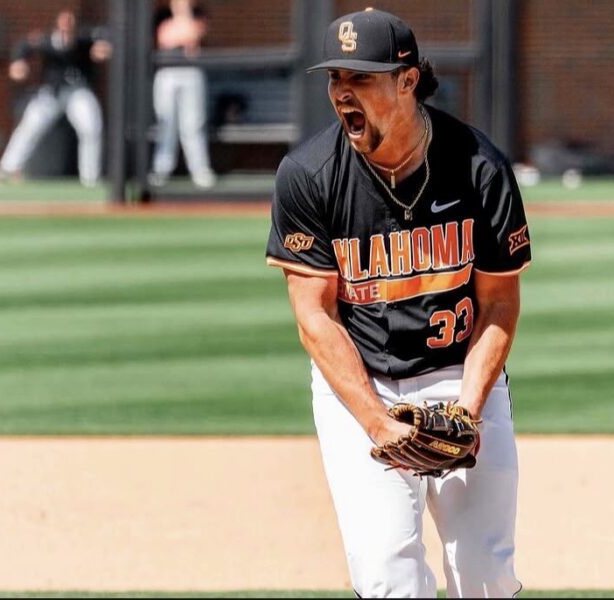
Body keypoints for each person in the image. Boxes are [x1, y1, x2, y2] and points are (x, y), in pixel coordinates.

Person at [265, 9, 530, 598]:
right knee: (388, 571)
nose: (342, 92)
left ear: (408, 81)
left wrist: (468, 410)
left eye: (360, 77)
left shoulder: (479, 167)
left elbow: (498, 305)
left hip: (461, 375)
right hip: (362, 386)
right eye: (335, 78)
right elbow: (314, 316)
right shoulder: (308, 175)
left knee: (485, 574)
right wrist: (376, 422)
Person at [0, 9, 111, 187]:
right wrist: (18, 62)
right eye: (63, 24)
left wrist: (103, 47)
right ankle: (8, 167)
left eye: (70, 24)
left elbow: (103, 39)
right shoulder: (46, 41)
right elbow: (23, 46)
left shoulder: (83, 40)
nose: (67, 28)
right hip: (50, 93)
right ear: (57, 26)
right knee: (30, 125)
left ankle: (90, 177)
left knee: (91, 127)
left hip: (77, 92)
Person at [148, 0, 216, 189]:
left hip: (191, 73)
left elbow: (193, 38)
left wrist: (184, 27)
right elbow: (165, 39)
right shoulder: (164, 22)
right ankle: (161, 169)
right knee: (166, 123)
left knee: (193, 124)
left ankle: (200, 170)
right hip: (167, 74)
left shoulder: (197, 20)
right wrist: (182, 38)